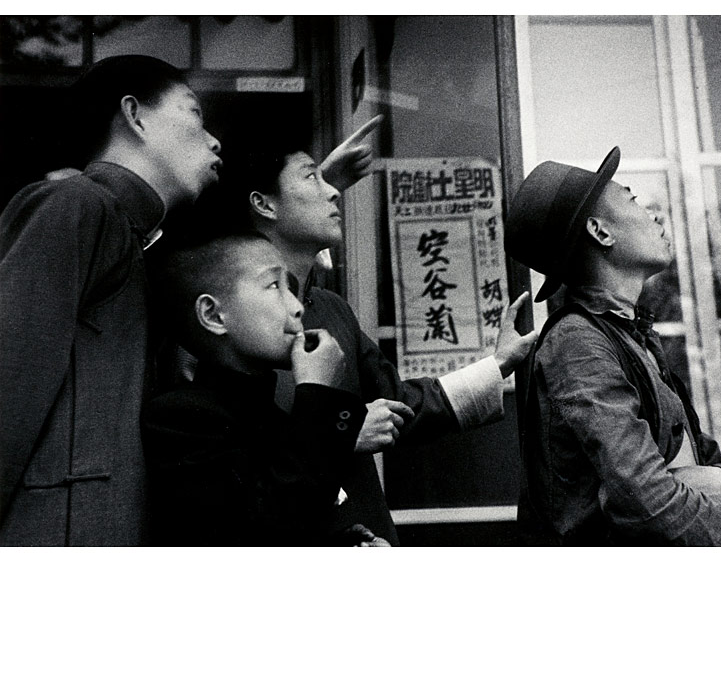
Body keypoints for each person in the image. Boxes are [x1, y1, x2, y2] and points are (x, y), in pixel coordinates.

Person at [191, 133, 537, 544]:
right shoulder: (226, 338)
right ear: (263, 204)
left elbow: (397, 401)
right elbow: (238, 473)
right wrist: (339, 435)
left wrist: (495, 366)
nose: (334, 192)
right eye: (312, 178)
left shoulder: (331, 309)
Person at [0, 54, 222, 546]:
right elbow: (8, 378)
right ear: (134, 115)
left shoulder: (138, 238)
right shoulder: (77, 204)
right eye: (194, 113)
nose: (214, 139)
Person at [504, 147, 721, 546]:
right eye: (632, 199)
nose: (654, 214)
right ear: (600, 231)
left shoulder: (630, 334)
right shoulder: (578, 342)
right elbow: (645, 499)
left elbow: (708, 462)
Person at [142, 233, 382, 546]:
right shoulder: (182, 419)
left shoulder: (272, 414)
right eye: (273, 286)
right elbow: (269, 527)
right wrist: (320, 391)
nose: (297, 308)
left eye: (292, 289)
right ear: (213, 315)